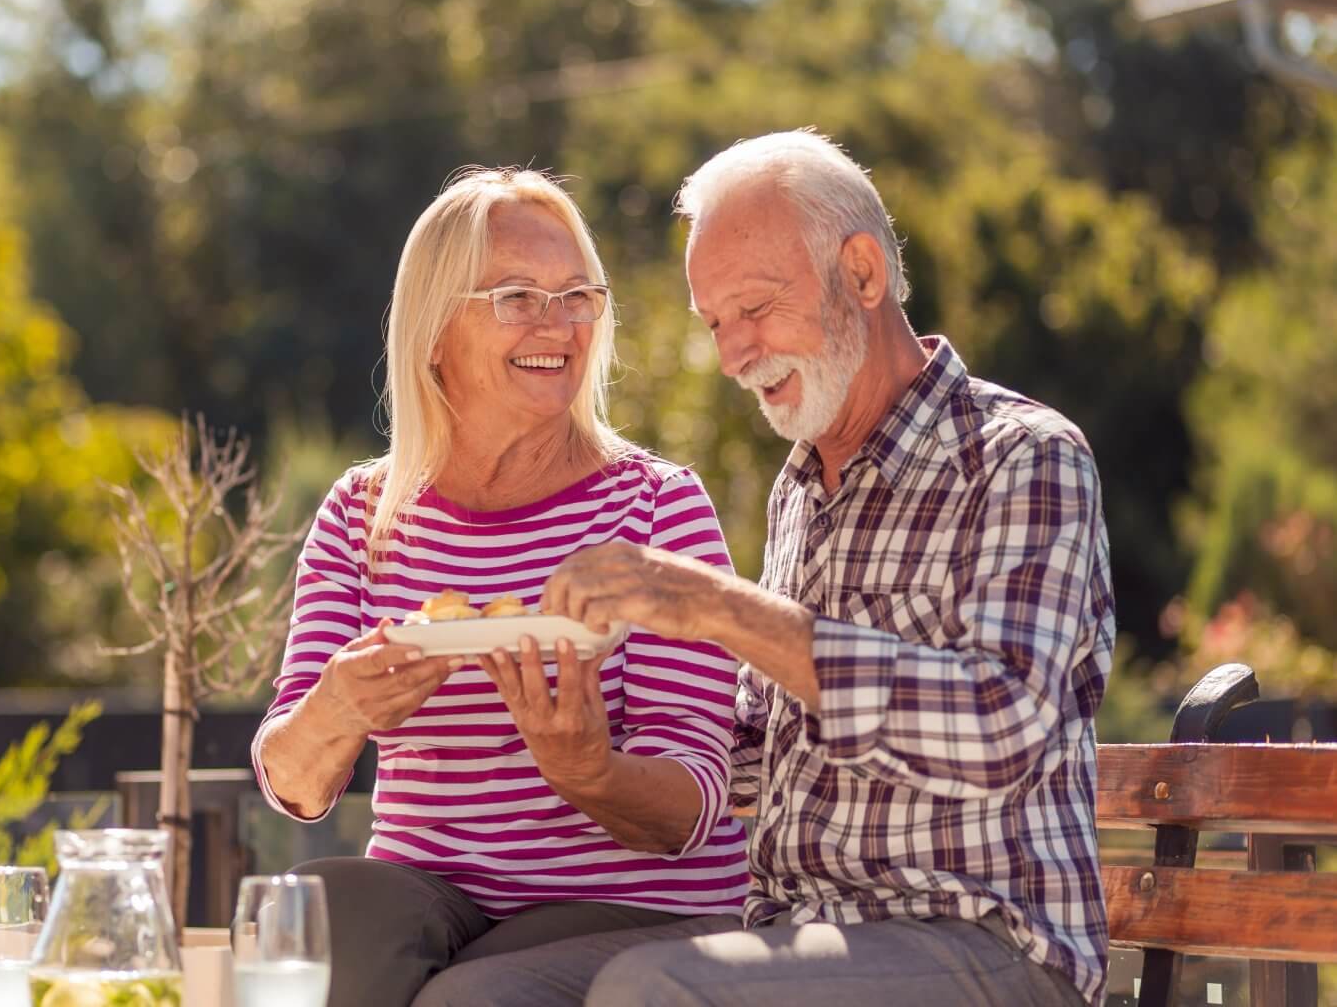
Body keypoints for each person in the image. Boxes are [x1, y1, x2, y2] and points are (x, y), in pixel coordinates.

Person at [424, 130, 1113, 1005]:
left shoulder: (1022, 457)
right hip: (796, 938)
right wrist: (586, 742)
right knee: (475, 999)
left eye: (753, 309)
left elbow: (1006, 724)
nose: (732, 355)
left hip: (993, 945)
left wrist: (717, 606)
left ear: (861, 275)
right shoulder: (802, 490)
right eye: (715, 323)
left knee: (656, 990)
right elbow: (754, 758)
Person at [251, 168, 749, 1007]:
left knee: (469, 996)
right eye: (518, 296)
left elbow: (696, 798)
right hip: (436, 897)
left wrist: (586, 768)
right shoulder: (362, 515)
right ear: (435, 328)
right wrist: (341, 707)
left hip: (631, 905)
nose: (557, 324)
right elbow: (294, 784)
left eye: (577, 296)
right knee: (321, 914)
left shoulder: (658, 506)